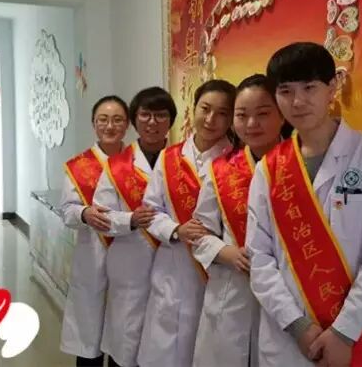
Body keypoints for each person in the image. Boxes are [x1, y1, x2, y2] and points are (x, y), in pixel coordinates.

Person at [246, 42, 362, 367]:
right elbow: (259, 258)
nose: (298, 101)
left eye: (310, 88)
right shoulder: (269, 168)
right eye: (286, 91)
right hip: (288, 337)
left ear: (332, 87)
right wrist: (298, 325)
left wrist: (344, 332)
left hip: (358, 334)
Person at [138, 79, 236, 367]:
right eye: (205, 109)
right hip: (172, 268)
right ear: (193, 109)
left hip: (216, 272)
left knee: (205, 349)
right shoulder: (169, 157)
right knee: (163, 351)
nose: (211, 119)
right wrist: (175, 230)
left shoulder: (237, 162)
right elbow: (151, 210)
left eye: (222, 113)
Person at [192, 74, 288, 367]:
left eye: (263, 114)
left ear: (282, 114)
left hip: (285, 293)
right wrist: (226, 252)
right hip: (232, 290)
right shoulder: (220, 169)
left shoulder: (299, 165)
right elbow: (199, 232)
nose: (251, 124)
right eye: (242, 115)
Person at [93, 87, 177, 367]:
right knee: (126, 341)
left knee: (165, 345)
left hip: (174, 264)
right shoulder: (117, 165)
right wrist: (130, 219)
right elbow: (102, 217)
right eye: (145, 115)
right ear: (135, 119)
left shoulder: (181, 162)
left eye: (161, 115)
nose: (152, 122)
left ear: (170, 120)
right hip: (131, 264)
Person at [60, 95, 130, 367]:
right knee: (89, 340)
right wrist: (84, 213)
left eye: (117, 120)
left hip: (130, 256)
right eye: (103, 119)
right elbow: (67, 211)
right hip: (92, 256)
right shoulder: (79, 165)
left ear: (127, 125)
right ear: (94, 124)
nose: (110, 126)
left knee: (124, 337)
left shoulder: (136, 163)